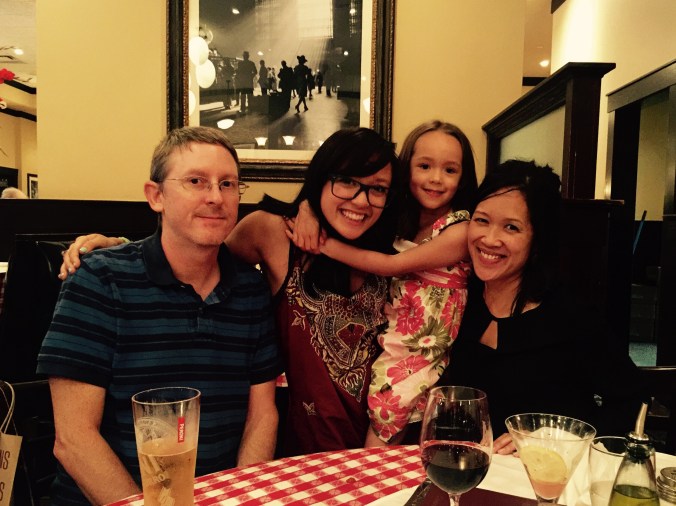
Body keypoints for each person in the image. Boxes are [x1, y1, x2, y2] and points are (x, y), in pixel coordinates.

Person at [59, 127, 403, 459]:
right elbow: (197, 250)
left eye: (378, 188)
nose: (362, 199)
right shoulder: (274, 232)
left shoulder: (398, 256)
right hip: (303, 452)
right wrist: (121, 250)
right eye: (346, 181)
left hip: (383, 443)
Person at [38, 126, 282, 505]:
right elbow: (74, 440)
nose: (216, 197)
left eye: (228, 184)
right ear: (156, 196)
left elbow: (262, 415)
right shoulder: (100, 279)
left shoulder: (251, 289)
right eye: (196, 181)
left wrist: (242, 497)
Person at [288, 121, 478, 446]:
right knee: (381, 407)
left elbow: (391, 265)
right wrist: (307, 208)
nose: (436, 178)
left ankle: (369, 472)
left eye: (449, 170)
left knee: (387, 412)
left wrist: (322, 244)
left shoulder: (459, 229)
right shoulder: (397, 218)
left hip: (424, 348)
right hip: (395, 339)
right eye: (424, 166)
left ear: (463, 178)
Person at [437, 159, 643, 454]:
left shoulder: (569, 316)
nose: (489, 239)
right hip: (466, 466)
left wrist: (555, 440)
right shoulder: (458, 297)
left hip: (542, 476)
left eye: (511, 227)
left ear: (538, 239)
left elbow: (631, 400)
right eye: (482, 220)